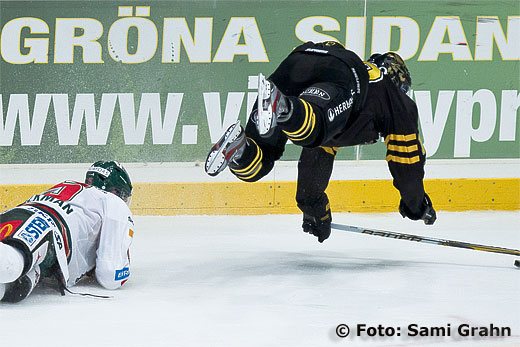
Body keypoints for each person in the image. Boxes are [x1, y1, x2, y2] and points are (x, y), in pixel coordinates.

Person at [205, 41, 436, 243]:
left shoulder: (345, 117)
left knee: (257, 163)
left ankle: (238, 149)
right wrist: (416, 206)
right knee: (314, 128)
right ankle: (283, 108)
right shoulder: (395, 100)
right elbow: (407, 164)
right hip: (339, 71)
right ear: (398, 78)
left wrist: (313, 205)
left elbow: (316, 157)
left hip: (295, 64)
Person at [0, 161, 134, 303]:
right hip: (47, 228)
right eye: (124, 196)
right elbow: (110, 277)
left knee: (17, 289)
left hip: (21, 217)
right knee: (10, 266)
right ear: (115, 191)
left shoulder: (69, 186)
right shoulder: (113, 201)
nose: (123, 201)